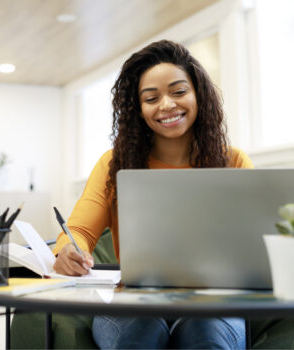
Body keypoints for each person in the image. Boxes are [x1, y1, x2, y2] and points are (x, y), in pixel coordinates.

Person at [52, 40, 253, 349]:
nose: (167, 105)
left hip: (213, 302)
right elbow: (78, 230)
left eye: (179, 91)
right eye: (151, 98)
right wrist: (69, 250)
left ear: (198, 95)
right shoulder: (114, 164)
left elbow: (259, 239)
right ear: (138, 108)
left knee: (208, 334)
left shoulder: (234, 162)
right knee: (139, 331)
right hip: (134, 302)